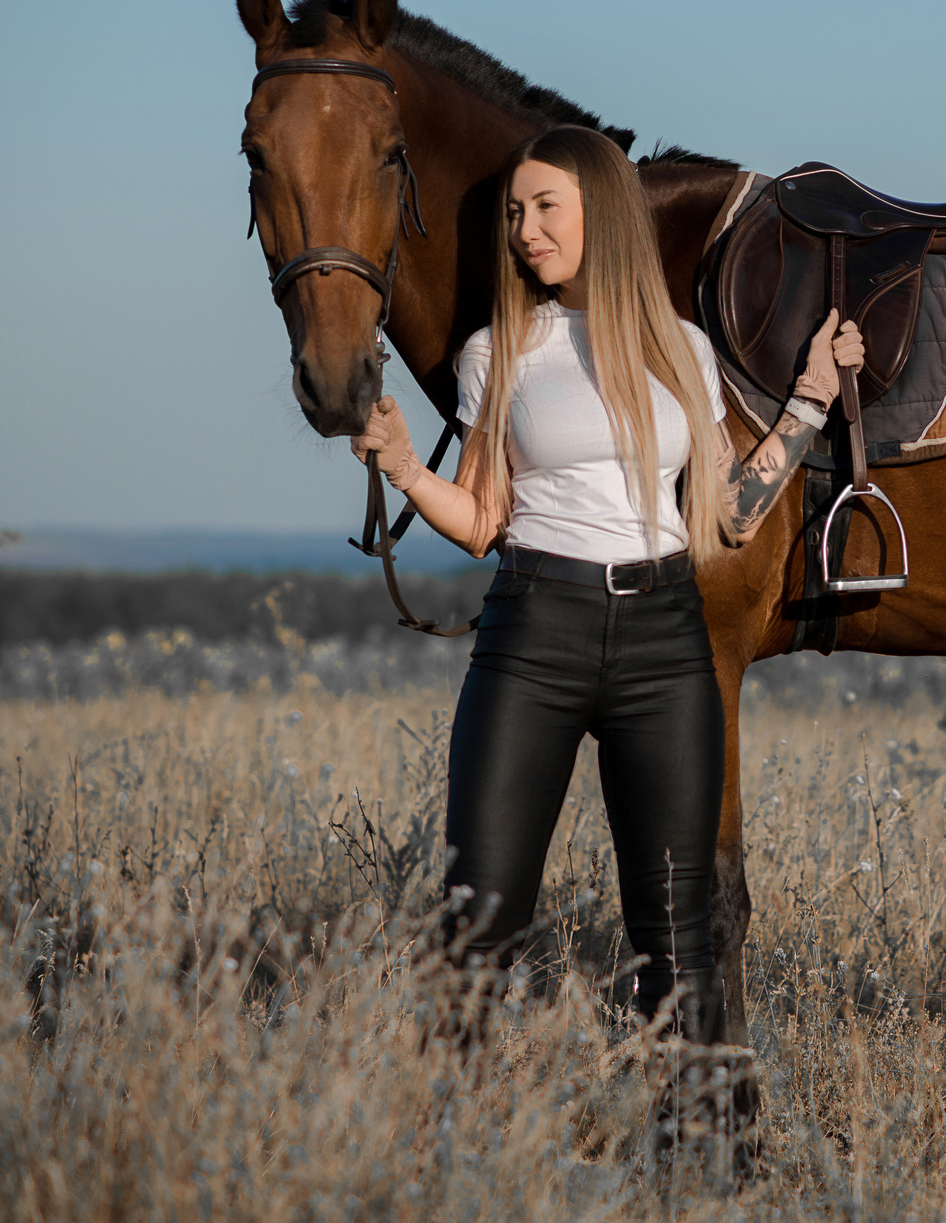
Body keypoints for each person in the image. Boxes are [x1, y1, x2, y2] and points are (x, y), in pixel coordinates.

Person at [349, 124, 859, 1048]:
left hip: (665, 640)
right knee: (479, 925)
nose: (526, 230)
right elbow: (481, 522)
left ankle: (709, 1168)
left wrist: (810, 402)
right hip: (535, 635)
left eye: (546, 207)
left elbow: (729, 517)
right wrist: (402, 469)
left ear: (606, 214)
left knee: (679, 940)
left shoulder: (683, 351)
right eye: (515, 213)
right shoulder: (497, 351)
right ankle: (443, 1165)